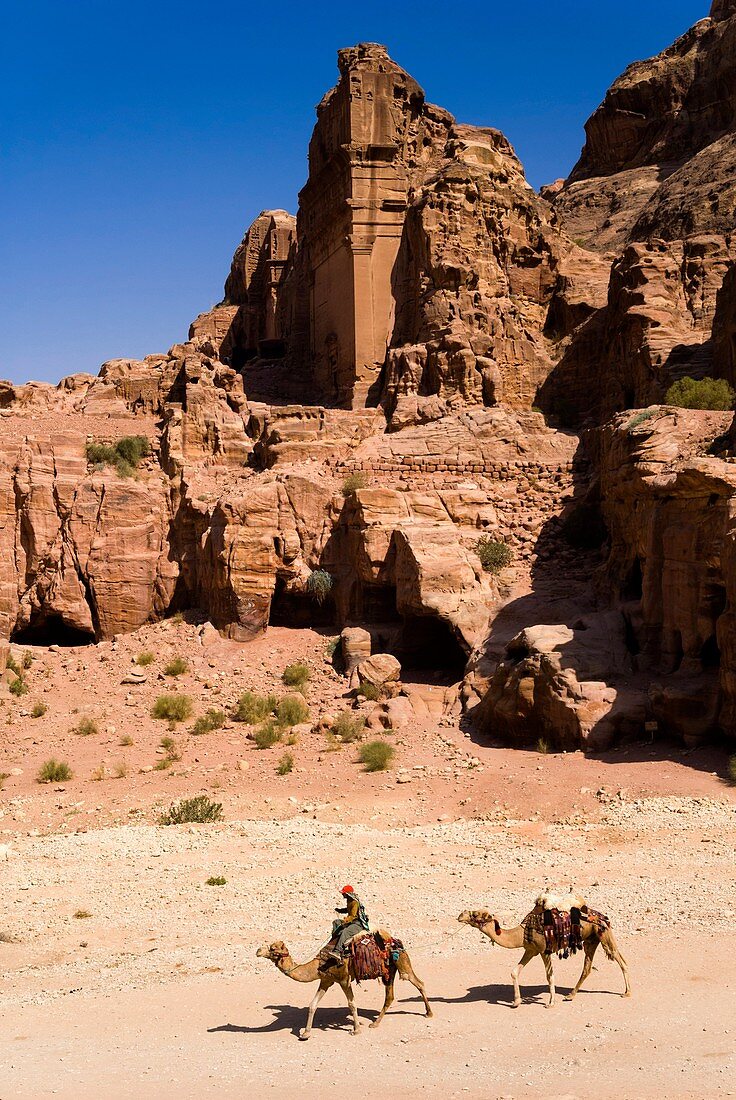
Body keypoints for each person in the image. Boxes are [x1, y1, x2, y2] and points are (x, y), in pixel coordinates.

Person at [323, 885, 370, 966]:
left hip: (357, 923)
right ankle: (335, 941)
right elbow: (348, 910)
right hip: (351, 921)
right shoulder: (349, 900)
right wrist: (340, 910)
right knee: (336, 922)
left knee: (345, 932)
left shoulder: (354, 902)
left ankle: (337, 951)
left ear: (347, 894)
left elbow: (353, 915)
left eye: (343, 893)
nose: (342, 894)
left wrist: (345, 921)